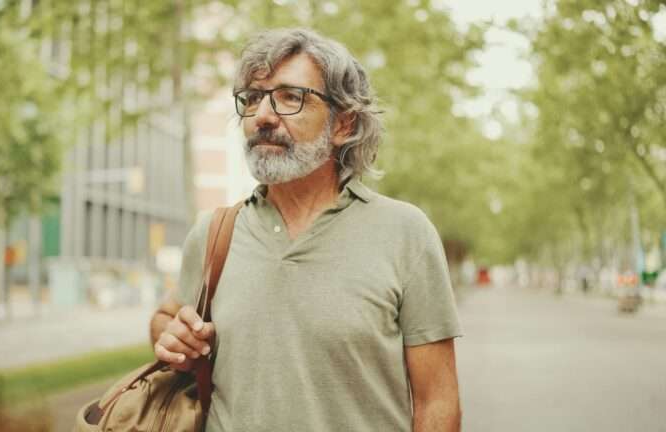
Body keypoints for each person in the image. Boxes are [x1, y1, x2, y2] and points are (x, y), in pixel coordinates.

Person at [150, 28, 462, 432]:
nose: (262, 116)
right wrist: (174, 341)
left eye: (290, 97)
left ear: (343, 124)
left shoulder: (406, 233)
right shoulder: (213, 234)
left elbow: (437, 402)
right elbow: (166, 317)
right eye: (252, 99)